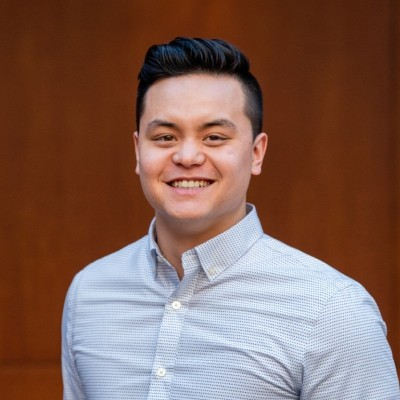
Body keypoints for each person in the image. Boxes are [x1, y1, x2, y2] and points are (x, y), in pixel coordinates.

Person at [62, 37, 399, 399]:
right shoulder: (89, 293)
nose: (187, 156)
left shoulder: (332, 310)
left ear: (256, 153)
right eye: (165, 137)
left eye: (214, 137)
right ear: (137, 150)